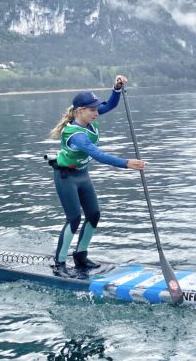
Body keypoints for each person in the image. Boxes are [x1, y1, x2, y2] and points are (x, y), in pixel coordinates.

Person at [49, 74, 144, 271]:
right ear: (80, 111)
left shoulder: (88, 117)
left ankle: (80, 257)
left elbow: (109, 105)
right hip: (66, 177)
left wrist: (116, 89)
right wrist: (127, 163)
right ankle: (59, 263)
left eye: (95, 108)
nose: (97, 112)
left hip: (82, 175)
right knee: (74, 218)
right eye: (92, 109)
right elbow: (98, 155)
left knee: (94, 214)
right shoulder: (76, 136)